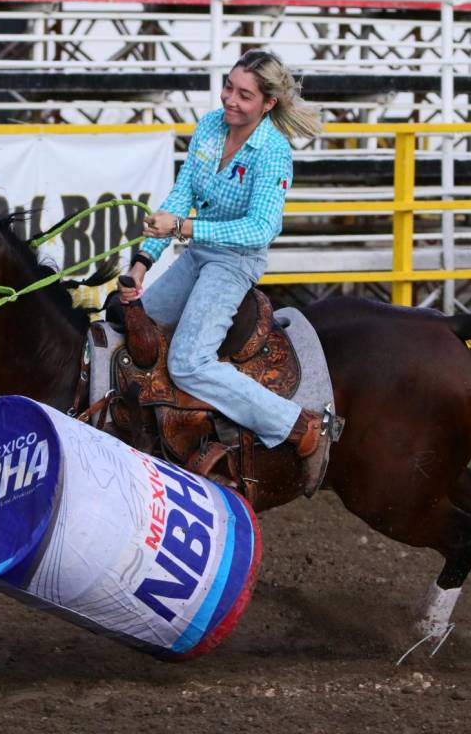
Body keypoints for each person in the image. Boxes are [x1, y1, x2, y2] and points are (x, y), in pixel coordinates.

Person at [120, 49, 332, 498]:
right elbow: (181, 194)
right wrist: (143, 261)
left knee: (188, 361)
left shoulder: (273, 152)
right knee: (136, 326)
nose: (230, 100)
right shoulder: (211, 126)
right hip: (197, 253)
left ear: (268, 103)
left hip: (235, 261)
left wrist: (181, 227)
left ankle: (300, 428)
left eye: (244, 95)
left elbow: (262, 227)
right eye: (229, 87)